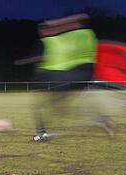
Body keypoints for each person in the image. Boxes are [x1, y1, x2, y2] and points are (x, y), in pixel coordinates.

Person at [17, 13, 103, 141]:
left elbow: (80, 17)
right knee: (52, 105)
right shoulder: (67, 38)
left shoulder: (80, 34)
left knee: (42, 105)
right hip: (68, 77)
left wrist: (54, 24)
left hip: (62, 77)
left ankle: (42, 132)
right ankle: (44, 130)